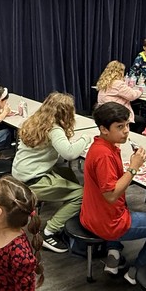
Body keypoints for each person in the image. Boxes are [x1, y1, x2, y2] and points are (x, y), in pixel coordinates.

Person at [81, 103, 146, 285]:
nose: (126, 131)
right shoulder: (104, 155)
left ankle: (113, 253)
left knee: (124, 205)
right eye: (119, 127)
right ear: (103, 129)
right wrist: (134, 167)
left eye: (127, 125)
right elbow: (110, 195)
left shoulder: (101, 146)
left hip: (90, 215)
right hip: (106, 223)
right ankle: (137, 271)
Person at [11, 92, 91, 253]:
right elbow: (69, 154)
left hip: (20, 174)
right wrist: (86, 139)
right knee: (82, 194)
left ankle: (69, 211)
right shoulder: (54, 129)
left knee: (68, 174)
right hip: (33, 181)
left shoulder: (37, 121)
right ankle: (49, 232)